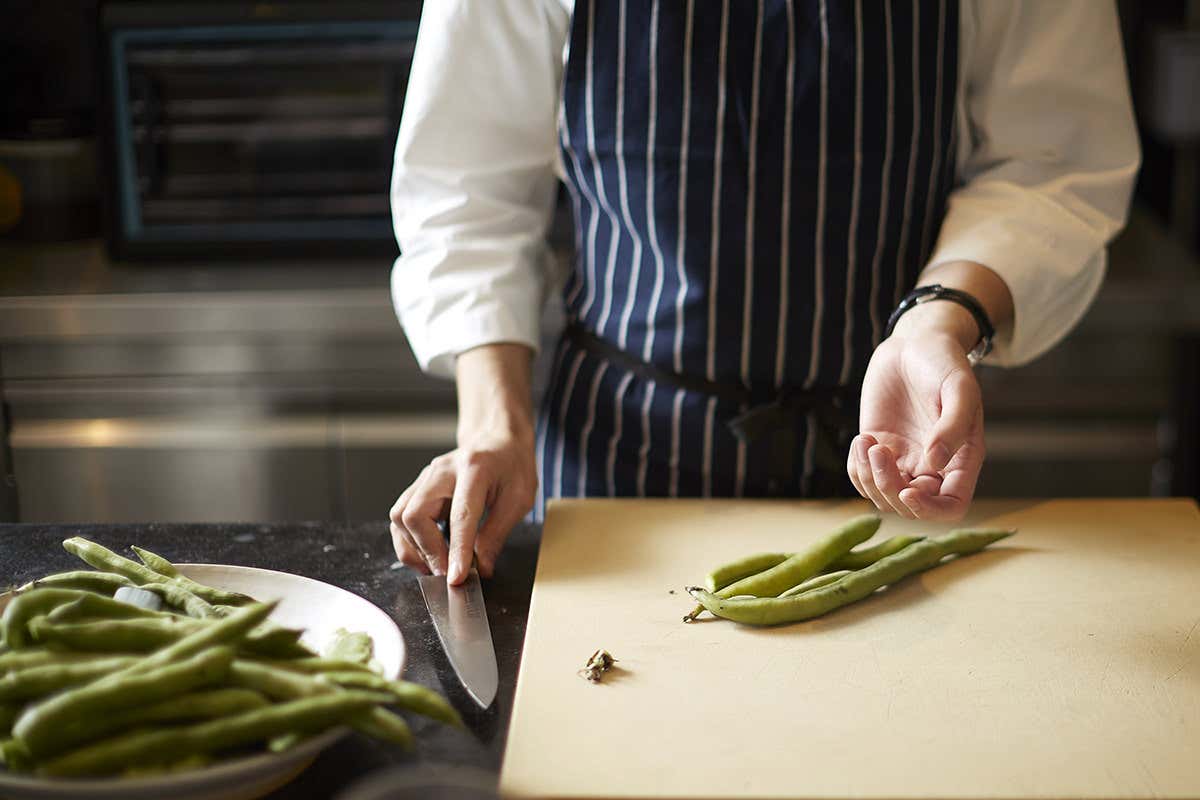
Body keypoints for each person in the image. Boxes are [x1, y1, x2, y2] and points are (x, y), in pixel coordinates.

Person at [387, 1, 1140, 585]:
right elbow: (466, 193)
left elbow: (1050, 165)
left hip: (895, 451)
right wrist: (495, 426)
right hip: (616, 469)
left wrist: (934, 328)